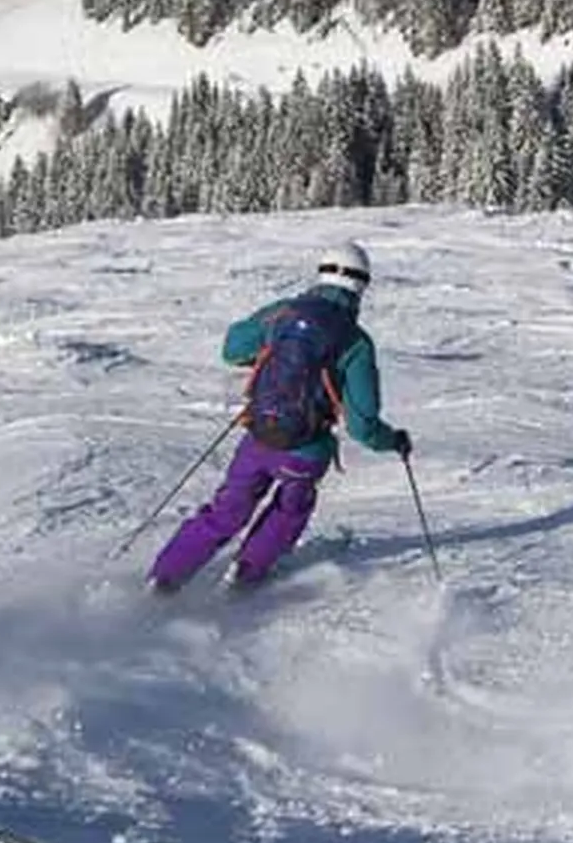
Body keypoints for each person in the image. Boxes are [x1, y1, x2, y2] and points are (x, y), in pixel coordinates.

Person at [150, 236, 410, 596]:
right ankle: (247, 573)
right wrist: (393, 440)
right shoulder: (355, 342)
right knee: (290, 508)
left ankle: (166, 577)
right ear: (362, 285)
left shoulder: (283, 312)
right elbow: (362, 425)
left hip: (258, 436)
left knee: (227, 508)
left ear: (320, 274)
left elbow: (232, 348)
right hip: (306, 449)